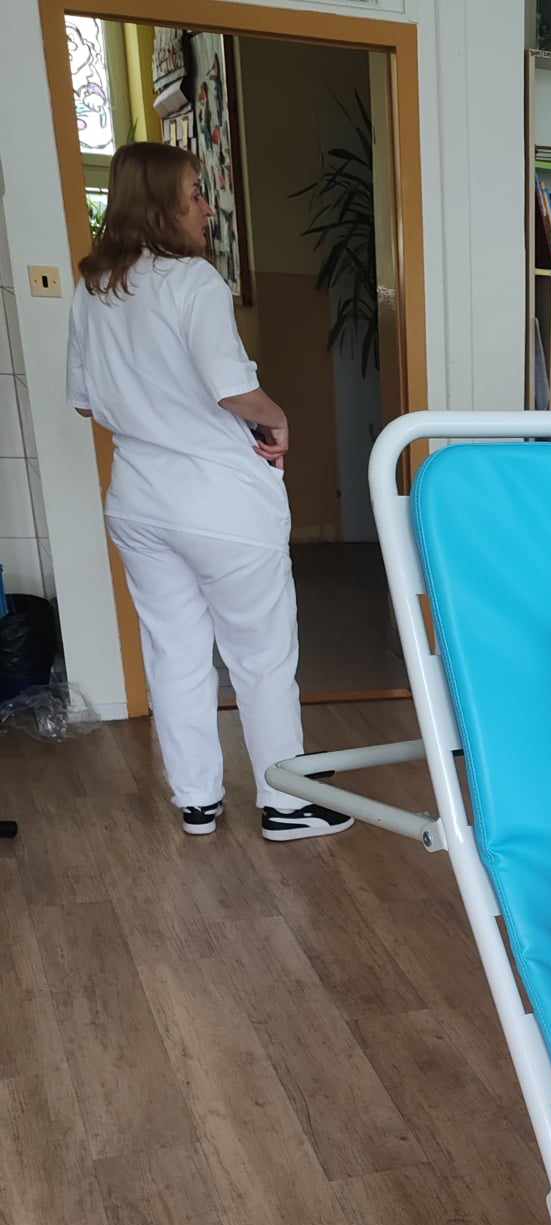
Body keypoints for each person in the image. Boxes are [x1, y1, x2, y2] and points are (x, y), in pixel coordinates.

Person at [67, 142, 349, 842]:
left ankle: (196, 799)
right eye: (194, 193)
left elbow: (85, 401)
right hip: (220, 503)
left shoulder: (94, 289)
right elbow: (232, 389)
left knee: (175, 651)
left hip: (138, 501)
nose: (207, 207)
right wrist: (278, 418)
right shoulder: (193, 282)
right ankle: (285, 803)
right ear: (161, 205)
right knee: (261, 656)